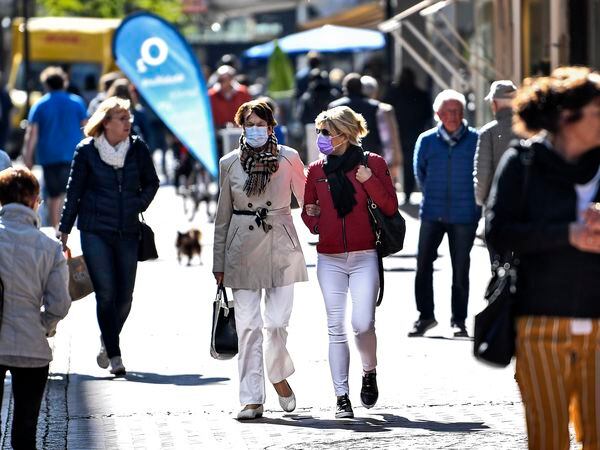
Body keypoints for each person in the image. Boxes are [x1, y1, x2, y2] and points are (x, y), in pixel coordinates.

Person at [486, 67, 600, 450]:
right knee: (549, 438)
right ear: (568, 119)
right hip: (540, 323)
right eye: (597, 112)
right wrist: (566, 234)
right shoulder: (524, 163)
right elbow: (498, 232)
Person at [212, 100, 307, 420]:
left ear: (271, 126)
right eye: (248, 124)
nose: (255, 130)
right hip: (241, 248)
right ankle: (251, 399)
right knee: (249, 327)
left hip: (281, 243)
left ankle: (278, 373)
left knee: (277, 323)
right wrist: (218, 262)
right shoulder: (229, 163)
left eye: (260, 123)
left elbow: (309, 203)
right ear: (241, 127)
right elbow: (221, 215)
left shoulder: (289, 157)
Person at [301, 106, 398, 418]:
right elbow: (307, 210)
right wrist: (314, 220)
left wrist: (369, 180)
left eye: (325, 133)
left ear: (343, 134)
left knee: (362, 324)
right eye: (319, 132)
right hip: (328, 258)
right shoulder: (316, 170)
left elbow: (390, 206)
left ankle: (369, 371)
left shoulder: (373, 164)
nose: (321, 138)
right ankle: (341, 396)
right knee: (334, 327)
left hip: (363, 255)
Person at [58, 96, 159, 376]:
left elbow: (152, 181)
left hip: (128, 229)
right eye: (123, 118)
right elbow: (73, 192)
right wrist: (63, 230)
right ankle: (115, 355)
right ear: (106, 122)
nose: (129, 123)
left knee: (125, 296)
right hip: (94, 230)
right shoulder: (86, 151)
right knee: (105, 293)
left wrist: (137, 204)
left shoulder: (137, 148)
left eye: (129, 118)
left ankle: (107, 337)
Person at [0, 168, 71, 449]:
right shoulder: (49, 248)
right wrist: (42, 326)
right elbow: (60, 304)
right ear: (34, 201)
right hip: (32, 346)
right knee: (25, 431)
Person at [410, 90, 480, 338]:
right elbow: (420, 173)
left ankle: (458, 321)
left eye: (458, 111)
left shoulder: (476, 139)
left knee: (461, 269)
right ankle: (425, 317)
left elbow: (482, 175)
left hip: (465, 215)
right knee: (423, 266)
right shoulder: (426, 140)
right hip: (432, 212)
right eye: (448, 112)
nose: (454, 116)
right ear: (438, 114)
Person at [22, 66, 87, 230]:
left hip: (49, 155)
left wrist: (27, 157)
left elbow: (32, 133)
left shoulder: (40, 105)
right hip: (74, 154)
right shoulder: (77, 102)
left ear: (46, 85)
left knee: (53, 195)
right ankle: (71, 227)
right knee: (72, 192)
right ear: (64, 83)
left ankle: (56, 229)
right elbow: (87, 128)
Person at [474, 80, 518, 263]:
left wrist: (480, 200)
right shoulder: (533, 130)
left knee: (499, 267)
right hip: (530, 210)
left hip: (498, 209)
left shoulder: (488, 133)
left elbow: (482, 175)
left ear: (494, 104)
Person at [384, 68, 431, 204]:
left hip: (397, 134)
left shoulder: (393, 94)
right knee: (409, 164)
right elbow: (427, 115)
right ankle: (407, 192)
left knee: (391, 163)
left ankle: (396, 192)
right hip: (413, 133)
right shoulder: (420, 94)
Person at [329, 73, 384, 156]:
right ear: (361, 87)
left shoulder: (334, 107)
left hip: (343, 156)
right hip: (369, 154)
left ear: (345, 88)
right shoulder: (375, 106)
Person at [361, 75, 403, 179]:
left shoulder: (348, 109)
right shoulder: (383, 109)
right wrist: (394, 162)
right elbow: (390, 139)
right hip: (378, 160)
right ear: (375, 92)